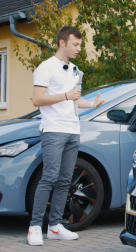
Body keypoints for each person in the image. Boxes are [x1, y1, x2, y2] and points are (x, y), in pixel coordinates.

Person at [27, 26, 104, 246]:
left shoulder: (74, 70)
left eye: (79, 44)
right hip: (53, 129)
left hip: (73, 129)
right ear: (63, 42)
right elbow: (37, 100)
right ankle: (34, 227)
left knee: (64, 180)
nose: (79, 48)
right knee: (49, 177)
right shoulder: (46, 68)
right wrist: (65, 95)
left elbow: (73, 100)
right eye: (75, 44)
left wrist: (91, 103)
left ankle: (55, 226)